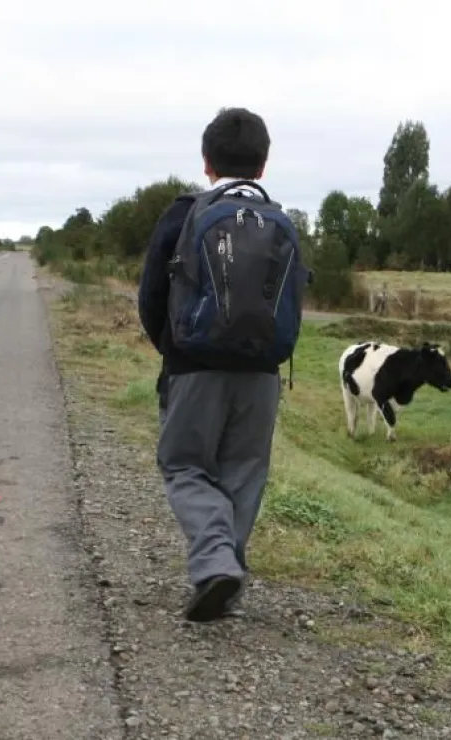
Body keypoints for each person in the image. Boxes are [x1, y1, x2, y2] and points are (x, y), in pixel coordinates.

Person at [137, 107, 306, 623]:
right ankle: (224, 571)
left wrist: (173, 350)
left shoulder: (186, 212)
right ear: (264, 163)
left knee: (184, 464)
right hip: (262, 373)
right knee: (245, 470)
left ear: (207, 162)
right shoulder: (280, 220)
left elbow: (151, 296)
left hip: (194, 367)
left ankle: (215, 565)